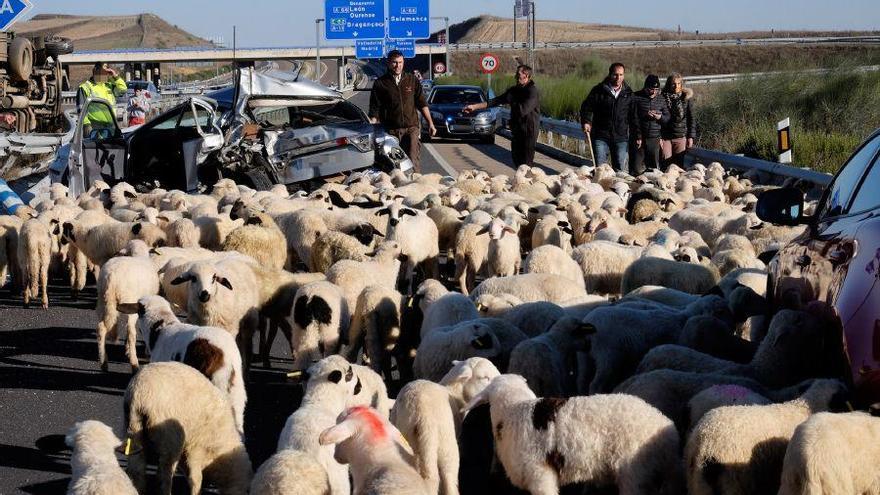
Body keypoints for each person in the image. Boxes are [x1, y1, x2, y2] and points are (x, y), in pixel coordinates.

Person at [369, 50, 436, 171]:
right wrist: (372, 132)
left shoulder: (412, 80)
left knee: (412, 159)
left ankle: (415, 186)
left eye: (400, 62)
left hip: (411, 128)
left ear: (403, 62)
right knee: (396, 164)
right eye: (394, 62)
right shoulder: (380, 83)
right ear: (389, 63)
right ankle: (397, 188)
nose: (398, 65)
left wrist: (431, 124)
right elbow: (374, 110)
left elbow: (422, 104)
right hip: (391, 131)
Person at [462, 64, 540, 166]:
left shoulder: (532, 91)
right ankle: (521, 179)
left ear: (527, 76)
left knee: (526, 162)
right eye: (516, 74)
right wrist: (474, 107)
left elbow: (523, 110)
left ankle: (527, 180)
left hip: (529, 130)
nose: (516, 77)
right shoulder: (514, 90)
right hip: (517, 129)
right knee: (517, 159)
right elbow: (496, 101)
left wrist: (511, 99)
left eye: (519, 75)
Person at [579, 63, 636, 173]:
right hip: (601, 135)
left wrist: (637, 134)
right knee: (600, 168)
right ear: (610, 74)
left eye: (621, 74)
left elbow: (633, 116)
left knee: (619, 168)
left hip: (620, 137)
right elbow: (587, 107)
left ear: (624, 75)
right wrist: (586, 121)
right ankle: (600, 188)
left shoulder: (628, 94)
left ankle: (616, 189)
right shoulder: (598, 90)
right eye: (615, 74)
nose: (618, 78)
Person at [631, 74, 670, 174]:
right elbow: (632, 118)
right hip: (639, 138)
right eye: (651, 89)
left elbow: (667, 118)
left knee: (654, 168)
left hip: (654, 138)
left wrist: (660, 117)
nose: (653, 92)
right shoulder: (636, 97)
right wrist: (645, 115)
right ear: (645, 87)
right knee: (637, 168)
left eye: (656, 89)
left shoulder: (661, 99)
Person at [77, 62, 127, 133]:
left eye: (107, 72)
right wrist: (86, 125)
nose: (105, 74)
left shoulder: (108, 86)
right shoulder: (85, 87)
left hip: (111, 125)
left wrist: (115, 76)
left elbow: (123, 89)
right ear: (96, 71)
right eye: (103, 71)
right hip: (94, 126)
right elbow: (81, 109)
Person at [660, 73, 696, 168]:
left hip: (680, 136)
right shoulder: (662, 97)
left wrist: (691, 137)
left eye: (678, 83)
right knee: (666, 164)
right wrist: (658, 137)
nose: (676, 86)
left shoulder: (686, 98)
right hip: (665, 136)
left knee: (678, 166)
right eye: (673, 84)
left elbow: (691, 118)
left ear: (681, 84)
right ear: (669, 84)